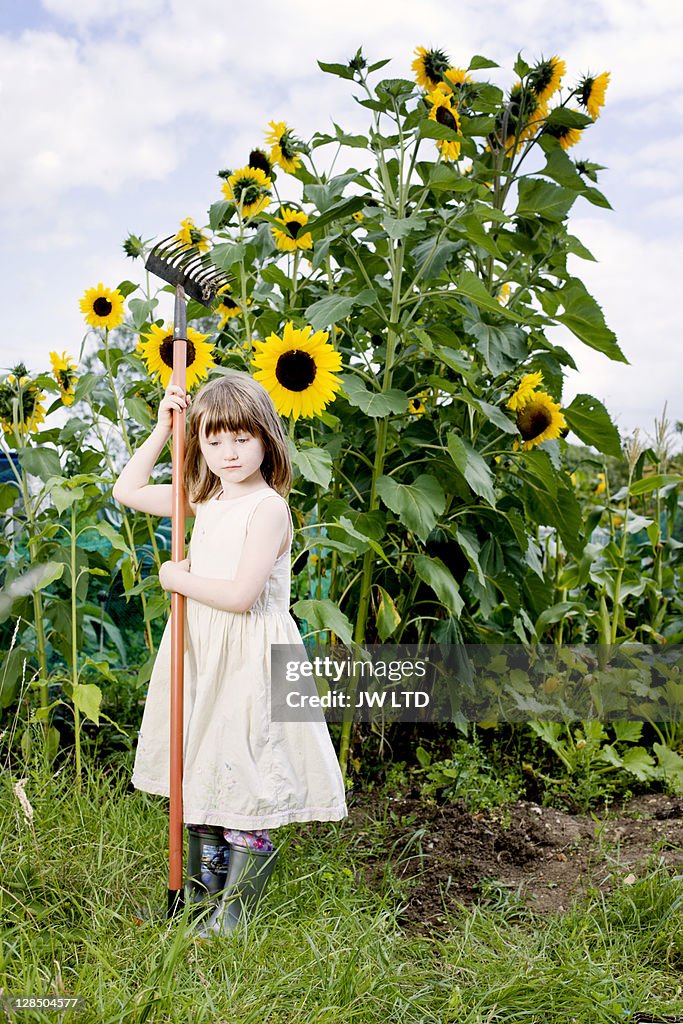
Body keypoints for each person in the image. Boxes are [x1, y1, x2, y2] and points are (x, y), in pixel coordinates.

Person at [112, 371, 348, 937]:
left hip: (249, 658)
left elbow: (242, 597)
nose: (227, 452)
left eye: (241, 438)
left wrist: (175, 577)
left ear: (266, 438)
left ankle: (234, 914)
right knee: (203, 766)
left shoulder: (267, 509)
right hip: (203, 651)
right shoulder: (207, 497)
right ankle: (202, 899)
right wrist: (166, 429)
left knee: (245, 772)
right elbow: (126, 490)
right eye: (213, 440)